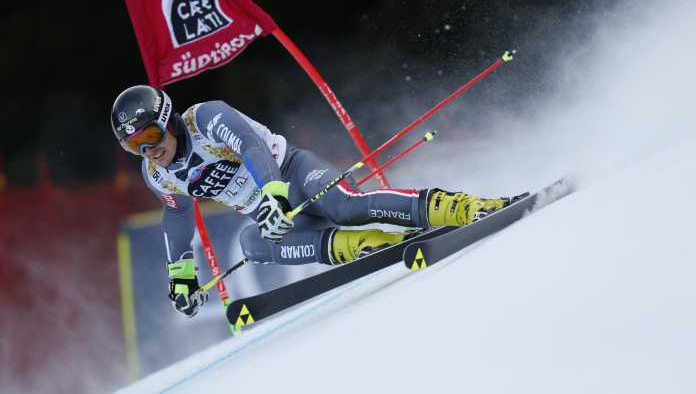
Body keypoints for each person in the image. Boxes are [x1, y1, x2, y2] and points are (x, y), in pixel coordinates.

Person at [111, 85, 521, 317]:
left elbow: (251, 146)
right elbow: (177, 215)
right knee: (252, 244)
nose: (148, 150)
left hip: (290, 174)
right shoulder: (156, 173)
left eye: (150, 136)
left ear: (169, 121)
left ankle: (460, 207)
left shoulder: (206, 119)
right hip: (269, 214)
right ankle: (372, 246)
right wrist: (181, 275)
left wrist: (273, 194)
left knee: (345, 206)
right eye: (133, 146)